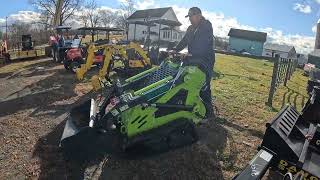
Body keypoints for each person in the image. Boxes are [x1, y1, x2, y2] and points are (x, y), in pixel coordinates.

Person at [172, 7, 215, 119]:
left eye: (192, 16)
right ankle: (186, 103)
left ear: (199, 15)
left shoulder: (206, 26)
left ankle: (209, 112)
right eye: (189, 17)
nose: (190, 19)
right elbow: (184, 41)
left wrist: (189, 53)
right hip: (193, 58)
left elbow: (203, 44)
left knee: (203, 85)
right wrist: (175, 50)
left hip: (206, 59)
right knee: (185, 79)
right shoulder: (190, 28)